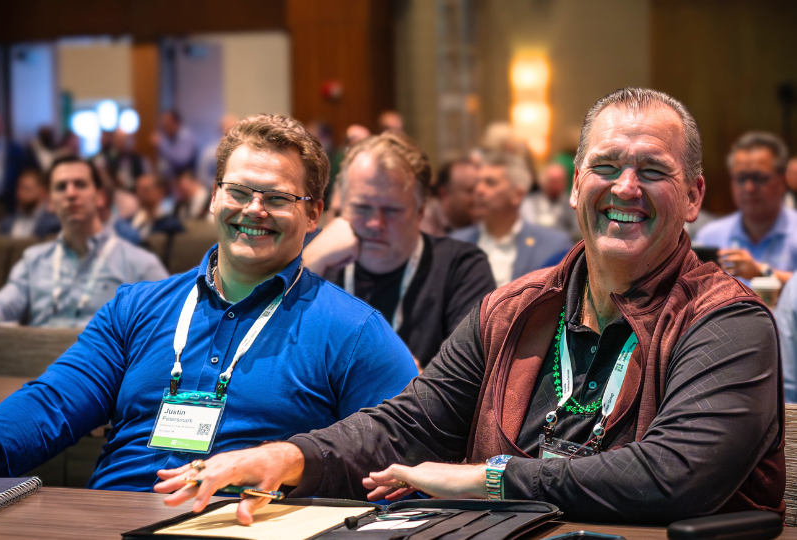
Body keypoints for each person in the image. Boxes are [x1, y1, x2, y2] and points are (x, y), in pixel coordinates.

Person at [152, 88, 783, 526]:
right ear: (572, 185)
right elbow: (409, 425)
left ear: (695, 196)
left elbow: (677, 475)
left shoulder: (727, 321)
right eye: (606, 165)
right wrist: (290, 457)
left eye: (653, 170)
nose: (624, 187)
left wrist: (490, 479)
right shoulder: (511, 309)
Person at [0, 114, 417, 493]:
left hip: (245, 524)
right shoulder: (136, 307)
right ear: (214, 197)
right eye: (239, 191)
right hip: (110, 518)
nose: (254, 210)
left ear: (314, 215)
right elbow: (55, 403)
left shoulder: (354, 331)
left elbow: (402, 450)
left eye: (278, 198)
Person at [302, 131, 495, 369]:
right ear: (341, 205)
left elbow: (467, 384)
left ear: (420, 212)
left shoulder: (461, 268)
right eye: (362, 207)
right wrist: (309, 264)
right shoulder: (317, 262)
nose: (375, 223)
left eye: (392, 210)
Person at [0, 156, 168, 329]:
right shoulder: (33, 260)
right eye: (61, 187)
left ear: (100, 197)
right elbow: (5, 303)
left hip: (102, 373)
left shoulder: (140, 263)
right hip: (36, 367)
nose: (70, 193)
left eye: (80, 184)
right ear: (50, 203)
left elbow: (172, 320)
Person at [451, 154, 573, 288]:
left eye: (490, 183)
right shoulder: (456, 243)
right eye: (477, 183)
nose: (479, 190)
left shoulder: (553, 246)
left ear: (517, 195)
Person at [695, 132, 797, 284]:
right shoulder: (709, 236)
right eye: (741, 178)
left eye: (759, 178)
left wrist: (761, 272)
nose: (749, 188)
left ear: (782, 181)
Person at [521, 161, 582, 241]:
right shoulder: (529, 203)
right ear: (543, 181)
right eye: (553, 181)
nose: (556, 185)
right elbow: (526, 229)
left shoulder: (573, 204)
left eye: (560, 181)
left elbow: (578, 232)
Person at [0, 168, 60, 239]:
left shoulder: (54, 223)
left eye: (27, 189)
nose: (20, 193)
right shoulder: (6, 223)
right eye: (19, 188)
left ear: (43, 192)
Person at [419, 160, 477, 237]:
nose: (477, 197)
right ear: (444, 193)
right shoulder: (423, 225)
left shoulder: (480, 218)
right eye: (470, 191)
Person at [129, 174, 185, 239]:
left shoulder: (171, 225)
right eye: (138, 190)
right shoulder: (129, 221)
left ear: (160, 192)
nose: (140, 194)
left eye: (145, 190)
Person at [153, 110, 197, 181]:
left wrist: (161, 145)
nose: (164, 128)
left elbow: (182, 161)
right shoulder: (169, 136)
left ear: (176, 123)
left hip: (186, 177)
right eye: (163, 125)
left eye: (167, 124)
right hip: (174, 178)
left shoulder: (185, 135)